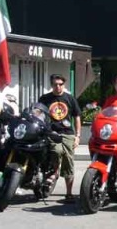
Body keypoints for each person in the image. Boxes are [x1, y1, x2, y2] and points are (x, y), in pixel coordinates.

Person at [38, 74, 82, 202]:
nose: (58, 87)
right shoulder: (45, 99)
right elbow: (38, 113)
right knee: (56, 151)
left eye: (60, 84)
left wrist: (78, 136)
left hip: (68, 133)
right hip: (51, 132)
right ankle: (55, 171)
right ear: (51, 85)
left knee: (69, 161)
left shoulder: (70, 99)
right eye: (55, 84)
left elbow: (77, 117)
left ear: (64, 84)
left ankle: (69, 193)